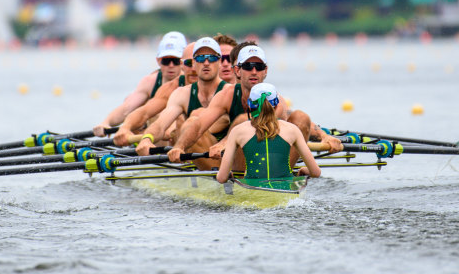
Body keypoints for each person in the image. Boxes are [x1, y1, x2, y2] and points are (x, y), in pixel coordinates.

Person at [167, 42, 341, 171]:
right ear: (238, 71)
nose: (254, 71)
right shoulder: (226, 96)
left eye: (258, 67)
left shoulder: (274, 98)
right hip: (236, 163)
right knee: (192, 123)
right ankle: (235, 176)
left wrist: (325, 136)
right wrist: (179, 147)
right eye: (248, 66)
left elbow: (299, 122)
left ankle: (286, 171)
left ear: (265, 71)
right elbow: (198, 126)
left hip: (269, 163)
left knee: (300, 117)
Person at [135, 37, 229, 169]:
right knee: (188, 122)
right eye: (201, 58)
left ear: (219, 62)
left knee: (195, 118)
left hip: (230, 160)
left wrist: (224, 143)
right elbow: (160, 124)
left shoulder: (230, 92)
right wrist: (147, 138)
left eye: (212, 58)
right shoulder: (181, 94)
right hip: (203, 161)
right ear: (193, 63)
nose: (206, 63)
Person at [216, 83, 321, 183]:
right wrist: (304, 171)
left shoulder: (238, 131)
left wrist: (230, 175)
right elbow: (316, 173)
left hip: (252, 191)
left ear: (250, 105)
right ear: (276, 105)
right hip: (286, 192)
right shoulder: (292, 129)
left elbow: (221, 178)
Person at [92, 31, 186, 136]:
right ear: (158, 61)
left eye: (176, 60)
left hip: (180, 135)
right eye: (166, 60)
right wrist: (106, 122)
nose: (171, 65)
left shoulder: (190, 81)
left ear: (183, 62)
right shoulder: (150, 82)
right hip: (156, 138)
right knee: (140, 106)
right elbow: (127, 108)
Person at [112, 41, 197, 146]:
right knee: (161, 117)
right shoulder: (172, 87)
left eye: (198, 62)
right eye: (189, 63)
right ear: (182, 64)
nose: (194, 68)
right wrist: (125, 127)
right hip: (183, 146)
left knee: (191, 120)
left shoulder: (221, 88)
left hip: (211, 143)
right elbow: (144, 112)